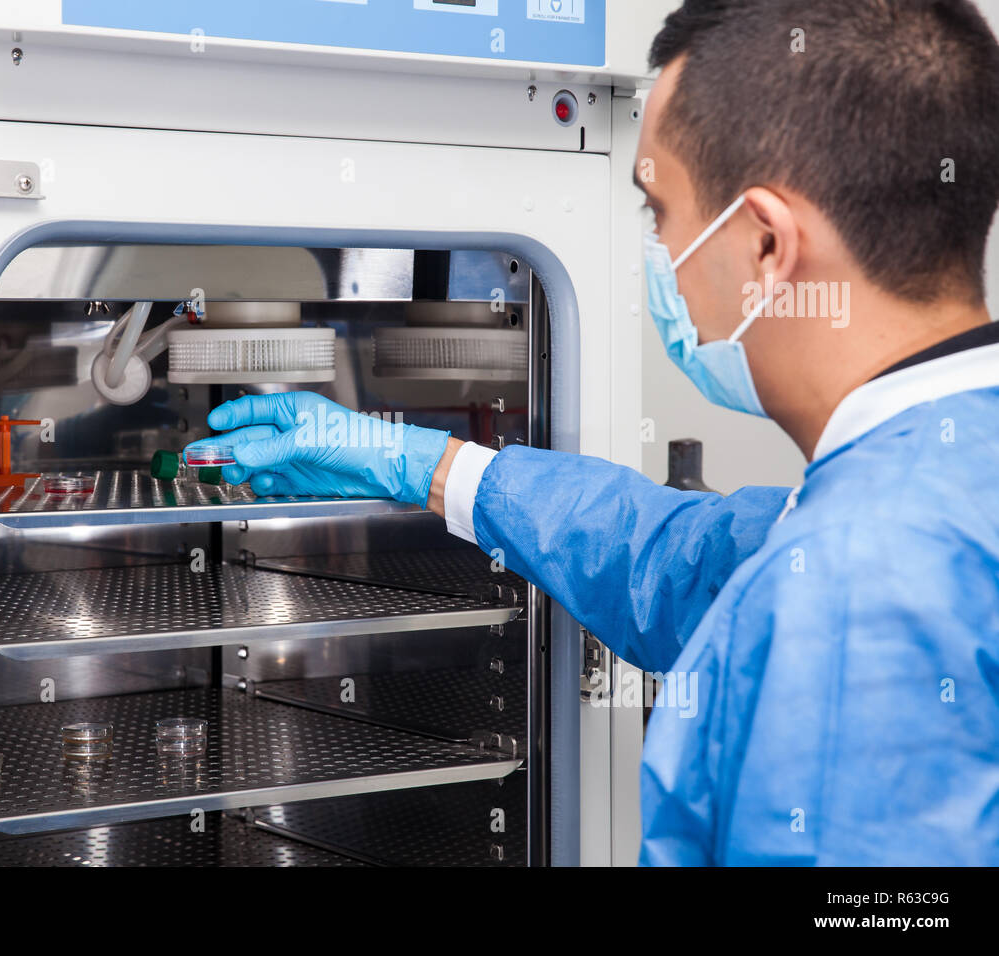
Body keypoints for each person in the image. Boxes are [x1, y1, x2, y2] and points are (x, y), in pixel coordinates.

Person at [188, 0, 999, 865]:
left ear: (765, 243)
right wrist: (415, 460)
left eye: (659, 211)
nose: (660, 251)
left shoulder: (857, 595)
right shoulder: (936, 480)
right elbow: (687, 565)